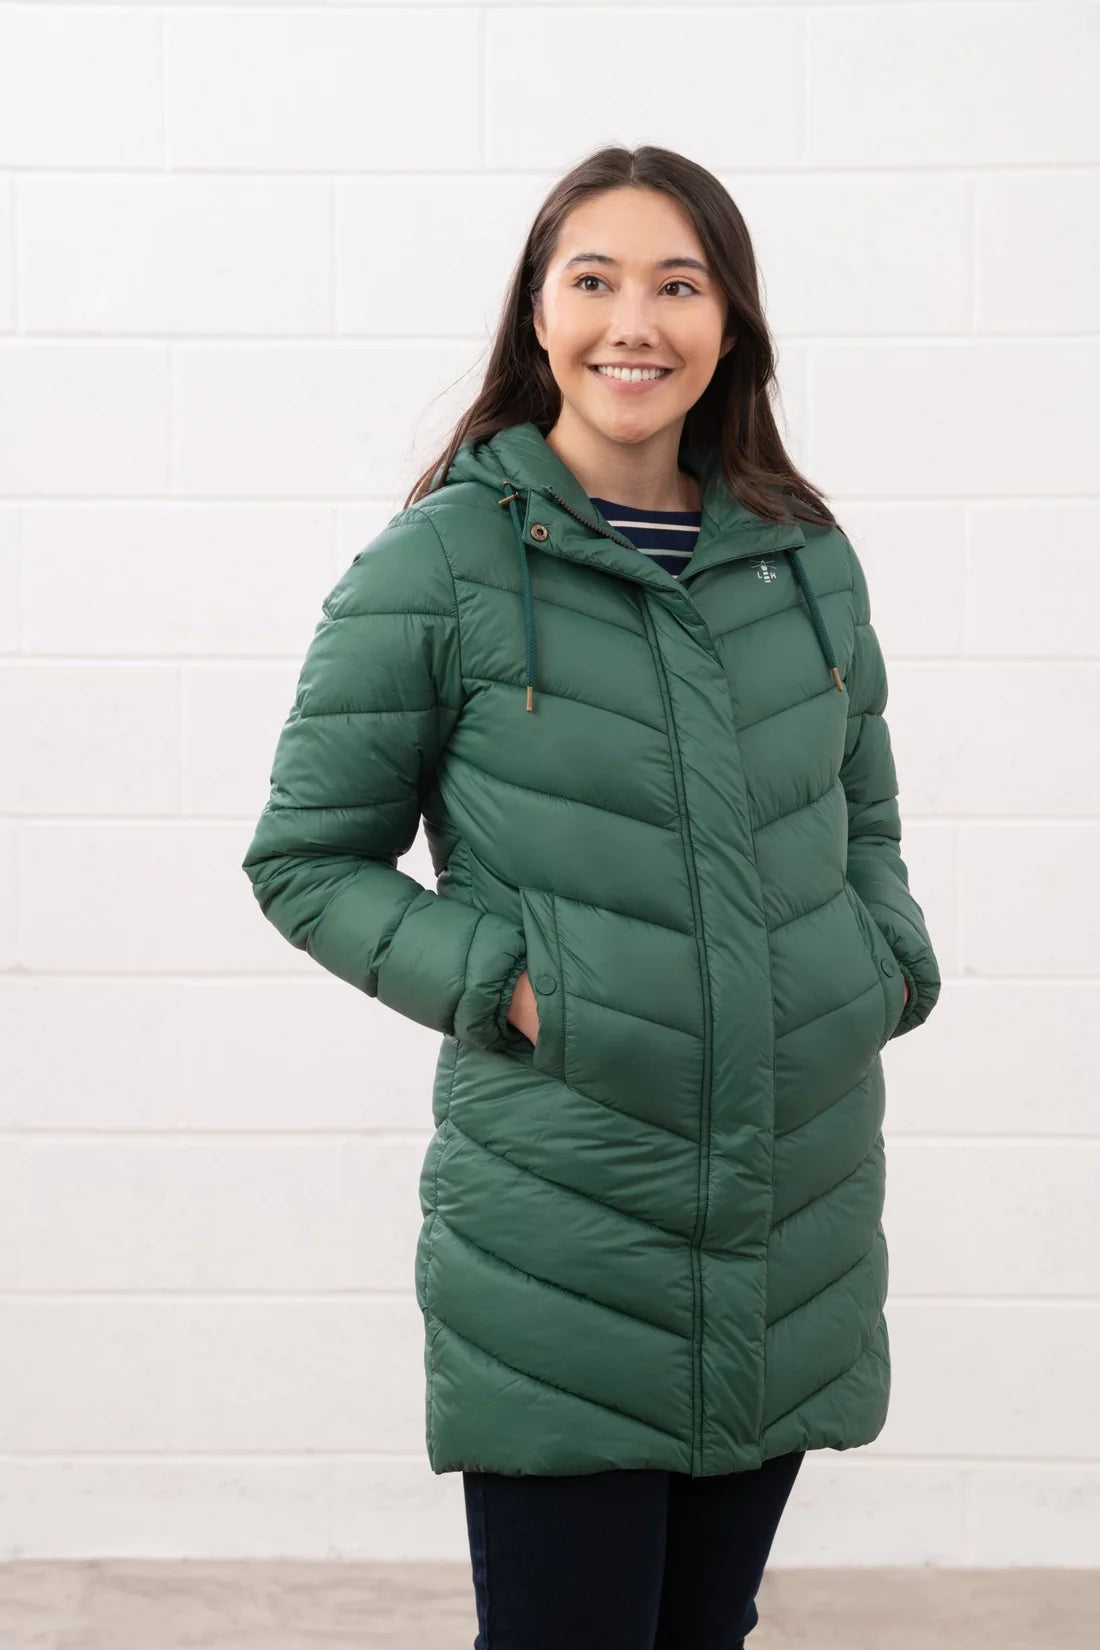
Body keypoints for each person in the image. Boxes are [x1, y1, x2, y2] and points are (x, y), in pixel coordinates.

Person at [241, 144, 942, 1650]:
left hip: (790, 1211)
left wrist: (880, 961)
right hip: (562, 1230)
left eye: (678, 284)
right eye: (596, 280)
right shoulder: (443, 563)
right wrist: (506, 977)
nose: (638, 320)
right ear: (540, 318)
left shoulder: (803, 560)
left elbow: (864, 813)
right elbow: (303, 856)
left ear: (731, 323)